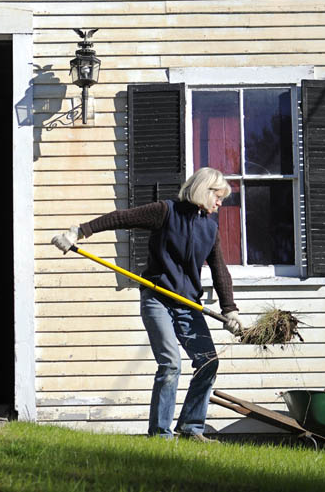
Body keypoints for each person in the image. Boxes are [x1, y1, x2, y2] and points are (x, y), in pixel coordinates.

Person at [51, 167, 243, 442]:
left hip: (188, 304)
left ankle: (191, 427)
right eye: (219, 197)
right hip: (157, 299)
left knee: (208, 362)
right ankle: (161, 434)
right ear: (205, 190)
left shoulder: (210, 228)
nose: (220, 203)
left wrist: (230, 309)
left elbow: (219, 268)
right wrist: (78, 232)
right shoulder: (165, 211)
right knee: (170, 363)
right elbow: (121, 218)